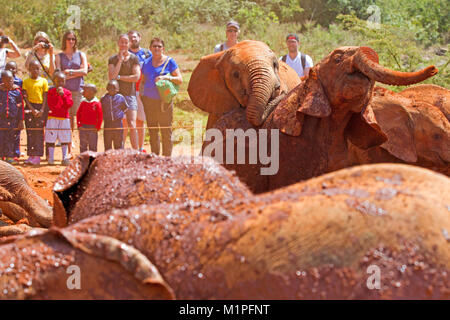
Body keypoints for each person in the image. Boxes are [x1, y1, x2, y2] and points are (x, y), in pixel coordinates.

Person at [140, 38, 182, 156]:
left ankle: (167, 158)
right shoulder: (146, 63)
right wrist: (142, 96)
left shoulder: (170, 62)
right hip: (149, 101)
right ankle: (155, 157)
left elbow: (179, 80)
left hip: (165, 102)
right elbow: (142, 81)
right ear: (150, 48)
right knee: (153, 131)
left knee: (166, 131)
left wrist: (166, 78)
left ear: (163, 48)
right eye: (154, 46)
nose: (157, 48)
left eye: (159, 46)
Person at [55, 30, 88, 157]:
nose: (71, 41)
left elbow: (84, 71)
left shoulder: (81, 55)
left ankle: (79, 144)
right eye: (68, 39)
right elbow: (58, 75)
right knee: (67, 119)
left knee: (78, 117)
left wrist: (68, 72)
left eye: (73, 39)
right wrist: (75, 73)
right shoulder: (59, 56)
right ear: (64, 40)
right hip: (64, 91)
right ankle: (68, 144)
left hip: (78, 90)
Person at [108, 34, 140, 150]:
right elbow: (112, 77)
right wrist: (120, 60)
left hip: (130, 95)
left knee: (132, 124)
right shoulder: (113, 59)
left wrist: (120, 77)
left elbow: (136, 77)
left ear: (129, 44)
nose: (124, 45)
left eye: (126, 42)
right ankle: (119, 150)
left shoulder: (134, 58)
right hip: (116, 96)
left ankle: (136, 151)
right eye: (122, 42)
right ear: (118, 43)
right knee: (120, 124)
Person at [128, 30, 151, 153]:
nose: (133, 39)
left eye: (135, 37)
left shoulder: (147, 54)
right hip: (128, 91)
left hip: (142, 91)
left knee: (140, 121)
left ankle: (140, 148)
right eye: (130, 37)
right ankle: (130, 149)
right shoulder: (125, 54)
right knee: (127, 121)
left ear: (139, 37)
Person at [22, 60, 49, 165]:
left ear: (40, 70)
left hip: (41, 108)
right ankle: (31, 154)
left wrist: (42, 110)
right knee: (30, 131)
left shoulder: (43, 81)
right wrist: (32, 109)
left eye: (37, 68)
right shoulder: (26, 81)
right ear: (29, 69)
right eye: (33, 68)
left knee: (38, 132)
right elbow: (25, 97)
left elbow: (45, 96)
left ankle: (37, 155)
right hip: (30, 108)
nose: (35, 70)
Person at [44, 71, 73, 165]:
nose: (60, 83)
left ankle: (64, 158)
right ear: (54, 82)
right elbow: (50, 104)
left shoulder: (67, 93)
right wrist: (56, 95)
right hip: (52, 117)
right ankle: (51, 158)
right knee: (51, 138)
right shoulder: (51, 92)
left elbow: (69, 104)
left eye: (62, 81)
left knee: (64, 138)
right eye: (58, 81)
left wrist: (63, 95)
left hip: (64, 118)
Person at [0, 70, 24, 164]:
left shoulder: (17, 92)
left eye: (11, 80)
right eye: (7, 80)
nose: (10, 82)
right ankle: (1, 157)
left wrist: (21, 120)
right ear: (3, 80)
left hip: (13, 120)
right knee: (1, 138)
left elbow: (21, 107)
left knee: (11, 138)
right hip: (1, 119)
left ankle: (10, 156)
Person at [100, 80, 128, 151]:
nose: (112, 90)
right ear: (107, 89)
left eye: (114, 88)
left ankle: (119, 159)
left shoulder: (121, 97)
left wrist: (120, 115)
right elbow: (101, 109)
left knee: (118, 143)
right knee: (107, 143)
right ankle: (108, 160)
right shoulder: (103, 98)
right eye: (110, 88)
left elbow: (125, 108)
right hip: (107, 123)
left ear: (117, 89)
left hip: (118, 123)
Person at [76, 83, 102, 153]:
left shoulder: (97, 103)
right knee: (83, 145)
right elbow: (78, 114)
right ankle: (83, 161)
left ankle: (92, 161)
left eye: (85, 90)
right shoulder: (83, 102)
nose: (83, 92)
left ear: (91, 92)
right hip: (83, 127)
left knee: (93, 146)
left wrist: (97, 127)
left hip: (93, 128)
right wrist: (79, 125)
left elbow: (100, 116)